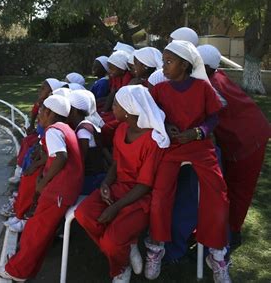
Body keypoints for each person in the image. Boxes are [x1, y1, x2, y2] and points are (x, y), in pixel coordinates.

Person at [146, 40, 231, 283]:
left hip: (200, 146)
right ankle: (156, 247)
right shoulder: (160, 90)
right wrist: (165, 125)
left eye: (169, 62)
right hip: (172, 147)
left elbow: (213, 118)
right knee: (161, 194)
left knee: (217, 192)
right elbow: (152, 114)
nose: (163, 67)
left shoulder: (203, 88)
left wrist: (196, 133)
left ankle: (216, 253)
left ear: (184, 65)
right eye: (163, 62)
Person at [75, 85, 169, 283]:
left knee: (111, 241)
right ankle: (124, 250)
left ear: (128, 112)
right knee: (83, 214)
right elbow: (117, 164)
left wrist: (116, 208)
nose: (112, 109)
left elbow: (144, 185)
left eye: (116, 105)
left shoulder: (152, 140)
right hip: (118, 189)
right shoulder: (121, 130)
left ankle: (120, 267)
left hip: (139, 199)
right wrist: (106, 184)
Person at [0, 94, 84, 281]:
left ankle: (17, 271)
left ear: (50, 112)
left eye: (42, 110)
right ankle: (25, 267)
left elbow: (61, 156)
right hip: (64, 190)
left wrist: (43, 183)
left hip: (58, 191)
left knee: (36, 232)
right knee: (39, 231)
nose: (39, 113)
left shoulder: (52, 131)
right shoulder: (65, 128)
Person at [198, 44, 271, 247]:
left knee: (240, 188)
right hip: (244, 134)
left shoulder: (211, 85)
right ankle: (224, 227)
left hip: (249, 138)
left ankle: (232, 232)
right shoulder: (214, 77)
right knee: (229, 184)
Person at [68, 89, 107, 195]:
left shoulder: (83, 130)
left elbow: (81, 159)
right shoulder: (87, 123)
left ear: (74, 110)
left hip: (91, 179)